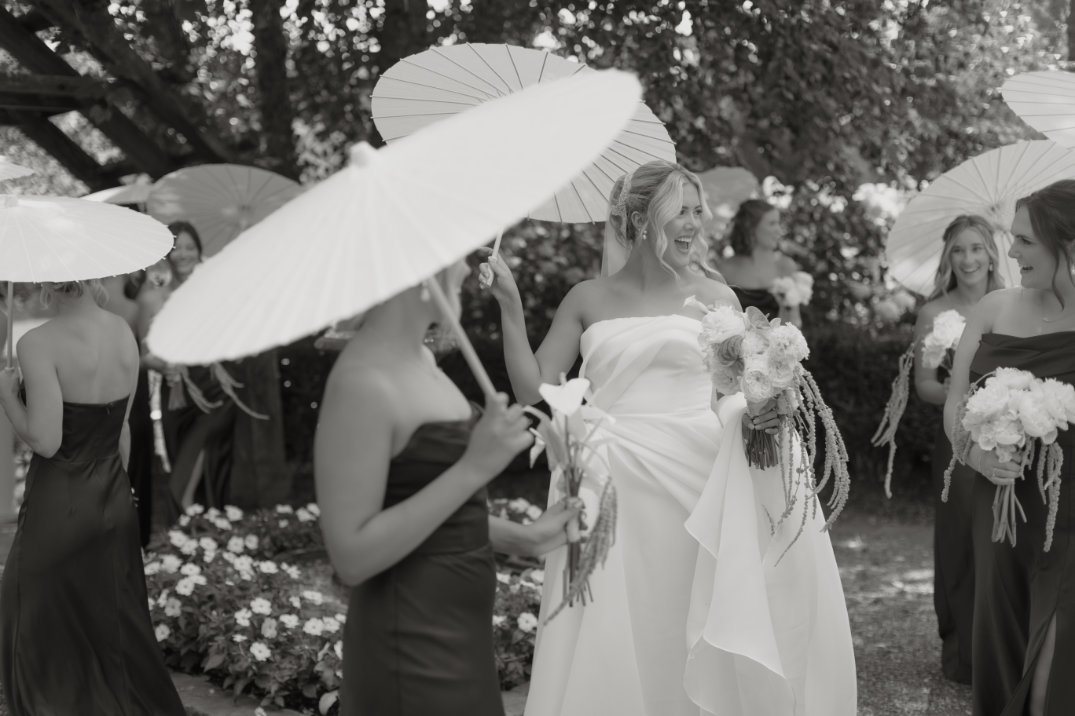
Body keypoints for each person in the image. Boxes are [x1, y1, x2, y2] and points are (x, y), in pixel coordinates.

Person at [482, 160, 856, 715]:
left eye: (697, 211)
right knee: (620, 621)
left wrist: (760, 411)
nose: (693, 223)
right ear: (637, 219)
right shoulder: (586, 297)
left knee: (693, 611)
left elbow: (730, 394)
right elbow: (534, 388)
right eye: (679, 210)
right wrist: (510, 307)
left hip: (698, 476)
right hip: (610, 481)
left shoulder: (716, 295)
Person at [316, 260, 583, 716]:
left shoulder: (419, 359)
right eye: (455, 258)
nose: (463, 271)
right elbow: (351, 556)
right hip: (410, 640)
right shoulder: (362, 382)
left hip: (461, 633)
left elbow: (423, 501)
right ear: (422, 275)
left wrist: (525, 537)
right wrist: (473, 467)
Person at [0, 279, 185, 715]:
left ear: (47, 279)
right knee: (110, 622)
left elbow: (45, 441)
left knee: (28, 616)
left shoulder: (37, 342)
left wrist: (8, 397)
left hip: (59, 503)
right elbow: (121, 428)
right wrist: (119, 489)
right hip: (115, 497)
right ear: (95, 275)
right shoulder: (123, 330)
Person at [946, 180, 1075, 716]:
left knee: (1054, 657)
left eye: (1025, 241)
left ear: (1065, 243)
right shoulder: (993, 309)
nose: (1012, 252)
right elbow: (955, 403)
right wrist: (976, 456)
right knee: (1000, 632)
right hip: (999, 506)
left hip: (1070, 510)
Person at [912, 214, 1004, 684]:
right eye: (958, 251)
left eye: (975, 248)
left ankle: (1009, 648)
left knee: (1005, 542)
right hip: (956, 442)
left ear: (992, 252)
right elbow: (924, 383)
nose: (967, 259)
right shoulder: (933, 314)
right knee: (961, 543)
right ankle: (964, 652)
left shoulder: (1015, 305)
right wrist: (956, 394)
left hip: (1010, 439)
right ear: (948, 258)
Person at [138, 222, 237, 521]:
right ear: (165, 254)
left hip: (216, 387)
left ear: (200, 250)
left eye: (190, 247)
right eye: (176, 248)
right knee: (182, 454)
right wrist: (167, 364)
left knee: (202, 456)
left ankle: (185, 526)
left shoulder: (216, 287)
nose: (183, 254)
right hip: (177, 392)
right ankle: (200, 532)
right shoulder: (152, 297)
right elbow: (144, 355)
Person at [717, 198, 806, 326]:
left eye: (778, 223)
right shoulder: (725, 269)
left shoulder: (785, 266)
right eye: (772, 223)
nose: (779, 230)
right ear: (751, 228)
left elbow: (794, 324)